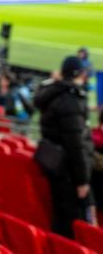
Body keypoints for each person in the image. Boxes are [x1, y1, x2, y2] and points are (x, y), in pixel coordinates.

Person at [35, 56, 95, 237]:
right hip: (68, 173)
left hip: (55, 166)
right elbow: (75, 145)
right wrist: (82, 180)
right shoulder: (71, 100)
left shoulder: (54, 92)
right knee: (70, 225)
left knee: (61, 218)